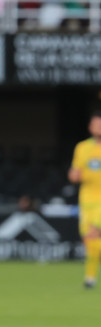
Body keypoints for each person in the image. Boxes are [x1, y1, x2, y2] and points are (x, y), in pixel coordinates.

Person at [68, 111, 101, 289]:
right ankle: (90, 277)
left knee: (93, 234)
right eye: (96, 124)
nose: (99, 128)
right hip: (86, 200)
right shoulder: (82, 147)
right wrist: (74, 175)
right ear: (90, 127)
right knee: (89, 241)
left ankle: (89, 279)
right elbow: (74, 173)